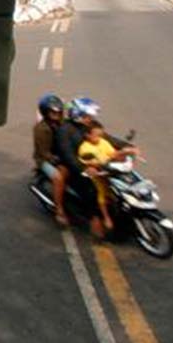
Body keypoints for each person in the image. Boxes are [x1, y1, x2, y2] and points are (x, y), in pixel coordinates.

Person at [54, 97, 120, 239]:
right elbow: (68, 156)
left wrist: (127, 147)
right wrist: (83, 169)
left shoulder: (88, 127)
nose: (90, 118)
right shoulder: (64, 131)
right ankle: (93, 219)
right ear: (78, 115)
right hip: (73, 166)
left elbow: (107, 138)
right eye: (87, 115)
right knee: (91, 190)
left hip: (94, 162)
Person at [77, 122, 140, 233]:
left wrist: (126, 153)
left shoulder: (103, 142)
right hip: (99, 176)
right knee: (102, 194)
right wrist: (117, 156)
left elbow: (112, 154)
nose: (99, 138)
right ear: (87, 135)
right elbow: (95, 164)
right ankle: (106, 218)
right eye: (96, 135)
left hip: (111, 172)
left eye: (100, 135)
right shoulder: (85, 149)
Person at [33, 94, 69, 227]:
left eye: (59, 112)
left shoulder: (63, 124)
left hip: (62, 156)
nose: (57, 115)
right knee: (59, 177)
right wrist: (59, 160)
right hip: (46, 159)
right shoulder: (41, 129)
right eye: (53, 112)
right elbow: (44, 152)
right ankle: (59, 210)